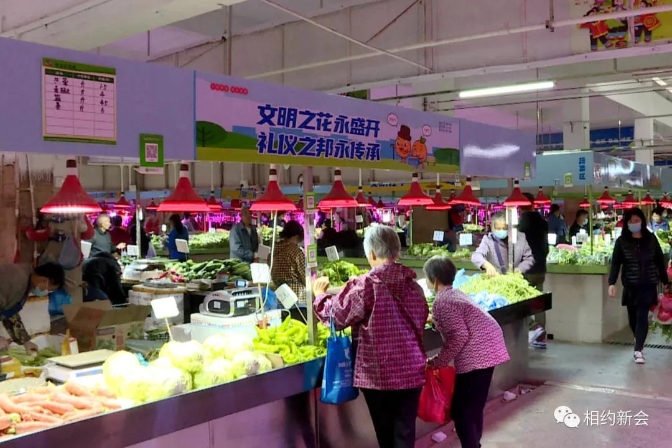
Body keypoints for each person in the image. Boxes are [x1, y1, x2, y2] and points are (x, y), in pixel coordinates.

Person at [312, 226, 428, 448]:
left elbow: (336, 316)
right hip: (412, 370)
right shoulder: (413, 286)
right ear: (397, 251)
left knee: (386, 435)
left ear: (372, 254)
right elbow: (422, 319)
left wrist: (320, 296)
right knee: (404, 434)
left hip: (378, 374)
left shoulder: (366, 285)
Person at [424, 256, 510, 448]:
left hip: (477, 355)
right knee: (473, 408)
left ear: (434, 280)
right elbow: (457, 323)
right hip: (489, 349)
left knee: (461, 412)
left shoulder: (442, 300)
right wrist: (435, 321)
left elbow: (459, 336)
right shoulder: (455, 293)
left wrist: (437, 361)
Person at [609, 208, 668, 365]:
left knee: (642, 316)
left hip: (648, 284)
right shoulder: (622, 242)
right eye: (630, 221)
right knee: (633, 318)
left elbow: (659, 260)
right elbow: (615, 263)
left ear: (642, 221)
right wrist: (612, 283)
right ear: (626, 223)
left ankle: (638, 349)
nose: (634, 224)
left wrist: (665, 281)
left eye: (636, 221)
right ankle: (638, 338)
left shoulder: (651, 239)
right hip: (630, 285)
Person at [0, 262, 65, 353]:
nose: (46, 292)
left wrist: (26, 342)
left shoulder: (26, 281)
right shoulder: (17, 281)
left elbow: (10, 313)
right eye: (49, 289)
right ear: (45, 281)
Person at [518, 194, 550, 349]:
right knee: (538, 303)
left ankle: (533, 328)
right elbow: (546, 248)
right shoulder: (542, 221)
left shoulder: (523, 223)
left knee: (519, 301)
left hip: (526, 268)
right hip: (540, 268)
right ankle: (541, 337)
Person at [472, 212, 534, 277]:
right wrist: (486, 265)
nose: (501, 231)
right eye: (498, 229)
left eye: (504, 228)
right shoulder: (488, 239)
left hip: (516, 278)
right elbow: (476, 256)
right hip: (495, 278)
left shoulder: (520, 238)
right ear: (492, 228)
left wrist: (520, 269)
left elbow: (529, 258)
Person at [271, 221, 306, 307]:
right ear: (296, 236)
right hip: (296, 296)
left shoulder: (274, 250)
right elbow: (304, 276)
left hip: (279, 295)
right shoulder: (296, 252)